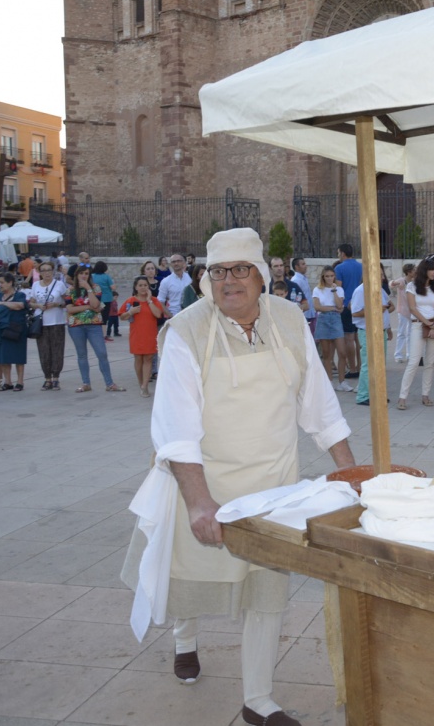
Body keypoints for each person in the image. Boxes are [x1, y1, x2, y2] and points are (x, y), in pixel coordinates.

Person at [123, 228, 355, 726]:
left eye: (240, 270)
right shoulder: (185, 330)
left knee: (266, 586)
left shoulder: (290, 319)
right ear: (208, 279)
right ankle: (186, 640)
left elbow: (318, 401)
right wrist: (199, 502)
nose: (230, 281)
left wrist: (349, 467)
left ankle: (258, 700)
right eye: (219, 272)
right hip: (201, 481)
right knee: (186, 573)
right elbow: (176, 426)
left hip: (273, 483)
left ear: (261, 274)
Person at [65, 264, 124, 393]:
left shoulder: (95, 288)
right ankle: (86, 383)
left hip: (94, 324)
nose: (84, 276)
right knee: (82, 355)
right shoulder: (70, 290)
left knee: (102, 353)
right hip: (76, 326)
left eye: (86, 273)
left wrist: (88, 289)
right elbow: (69, 309)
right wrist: (87, 307)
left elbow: (96, 304)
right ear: (76, 275)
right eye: (81, 273)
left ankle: (109, 383)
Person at [398, 257, 434, 410]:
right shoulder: (411, 286)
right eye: (431, 269)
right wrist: (427, 323)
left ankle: (426, 395)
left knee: (430, 362)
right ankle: (402, 397)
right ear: (425, 270)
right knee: (414, 361)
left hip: (433, 325)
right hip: (418, 325)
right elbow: (412, 308)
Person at [26, 260, 69, 390]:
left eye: (49, 270)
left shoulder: (59, 284)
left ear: (53, 271)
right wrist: (39, 305)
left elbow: (67, 301)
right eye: (43, 270)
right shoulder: (35, 285)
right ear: (39, 272)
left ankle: (56, 377)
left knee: (57, 349)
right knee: (44, 350)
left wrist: (57, 304)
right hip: (41, 322)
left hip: (56, 321)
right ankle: (47, 378)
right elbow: (31, 302)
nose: (46, 273)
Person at [123, 275, 166, 398]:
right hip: (136, 335)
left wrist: (149, 300)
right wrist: (130, 312)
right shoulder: (130, 301)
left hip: (150, 334)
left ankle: (145, 386)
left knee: (148, 359)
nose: (143, 288)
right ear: (136, 287)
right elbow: (122, 316)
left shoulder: (154, 300)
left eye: (145, 285)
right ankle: (141, 382)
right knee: (138, 359)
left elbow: (158, 314)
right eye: (140, 285)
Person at [349, 278, 389, 407]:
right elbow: (355, 312)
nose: (381, 276)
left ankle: (377, 393)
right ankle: (363, 395)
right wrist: (377, 309)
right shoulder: (361, 291)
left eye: (381, 274)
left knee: (380, 364)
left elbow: (388, 305)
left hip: (380, 330)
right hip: (368, 331)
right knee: (369, 364)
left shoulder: (380, 289)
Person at [0, 272, 30, 391]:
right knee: (3, 356)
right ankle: (7, 381)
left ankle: (20, 382)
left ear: (10, 282)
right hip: (1, 329)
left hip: (16, 329)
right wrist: (5, 305)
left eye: (2, 282)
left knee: (18, 356)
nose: (0, 285)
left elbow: (20, 305)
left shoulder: (19, 294)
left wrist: (2, 304)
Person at [311, 267, 346, 387]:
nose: (330, 278)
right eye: (327, 276)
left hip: (335, 320)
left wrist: (334, 291)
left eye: (332, 276)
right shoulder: (317, 289)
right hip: (323, 319)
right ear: (323, 277)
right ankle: (329, 382)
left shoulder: (339, 289)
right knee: (326, 353)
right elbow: (317, 307)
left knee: (342, 352)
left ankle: (342, 381)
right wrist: (332, 308)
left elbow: (340, 305)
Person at [334, 243, 363, 382]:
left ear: (343, 253)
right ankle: (360, 366)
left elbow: (339, 288)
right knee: (359, 338)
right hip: (360, 305)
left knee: (349, 338)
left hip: (346, 306)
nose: (338, 255)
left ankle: (352, 369)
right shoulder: (361, 266)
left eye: (339, 253)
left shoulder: (339, 268)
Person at [390, 263, 414, 362]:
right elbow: (391, 283)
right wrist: (394, 283)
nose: (416, 271)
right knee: (401, 333)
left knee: (410, 333)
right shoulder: (402, 281)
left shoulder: (414, 282)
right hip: (403, 311)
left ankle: (409, 354)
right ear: (409, 272)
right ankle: (398, 355)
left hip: (412, 311)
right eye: (414, 270)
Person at [158, 254, 192, 319]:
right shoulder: (166, 281)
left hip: (190, 316)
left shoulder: (190, 278)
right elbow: (160, 301)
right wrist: (171, 316)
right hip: (174, 316)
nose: (176, 263)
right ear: (170, 264)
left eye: (178, 261)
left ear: (183, 263)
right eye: (173, 262)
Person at [290, 257, 315, 332]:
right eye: (303, 264)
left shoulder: (303, 278)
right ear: (297, 267)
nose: (305, 266)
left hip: (309, 313)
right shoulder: (296, 280)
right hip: (303, 314)